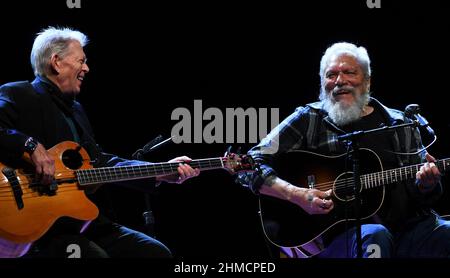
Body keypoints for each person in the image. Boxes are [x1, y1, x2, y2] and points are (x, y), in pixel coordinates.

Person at [0, 27, 200, 258]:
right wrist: (29, 145)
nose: (86, 68)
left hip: (85, 223)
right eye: (81, 61)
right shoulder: (18, 93)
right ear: (56, 62)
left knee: (154, 253)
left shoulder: (75, 110)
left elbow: (101, 163)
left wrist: (159, 172)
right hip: (42, 228)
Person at [240, 42, 450, 258]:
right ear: (323, 83)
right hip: (345, 238)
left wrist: (427, 185)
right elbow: (249, 162)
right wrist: (297, 195)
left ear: (367, 81)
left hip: (409, 229)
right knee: (375, 237)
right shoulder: (309, 119)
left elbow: (423, 193)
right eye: (331, 75)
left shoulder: (399, 122)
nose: (340, 81)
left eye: (349, 72)